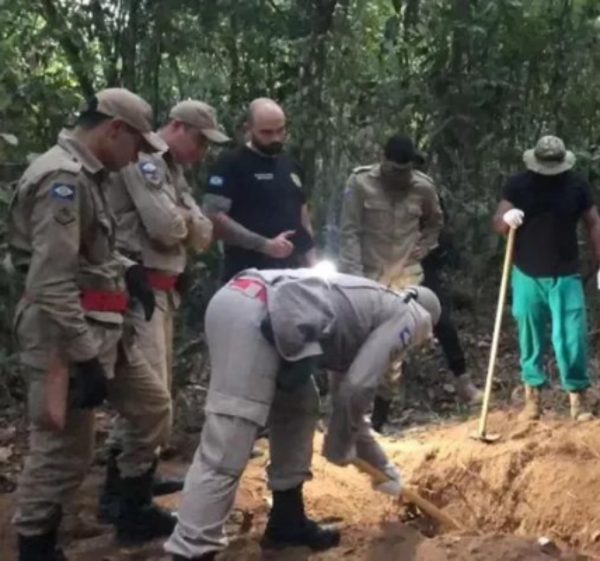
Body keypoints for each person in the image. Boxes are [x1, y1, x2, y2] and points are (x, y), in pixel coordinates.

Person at [163, 268, 440, 561]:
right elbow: (357, 388)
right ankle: (191, 549)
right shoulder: (412, 316)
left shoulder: (370, 313)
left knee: (300, 406)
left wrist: (382, 469)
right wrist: (339, 445)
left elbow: (350, 404)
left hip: (257, 306)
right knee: (230, 438)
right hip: (257, 312)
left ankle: (287, 519)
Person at [8, 88, 175, 561]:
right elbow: (51, 282)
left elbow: (90, 253)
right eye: (137, 147)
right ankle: (36, 545)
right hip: (63, 335)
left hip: (104, 328)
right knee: (63, 448)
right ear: (114, 130)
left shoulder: (88, 175)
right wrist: (84, 356)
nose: (138, 157)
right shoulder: (62, 178)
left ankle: (130, 506)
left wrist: (127, 269)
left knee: (151, 407)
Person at [99, 100, 228, 521]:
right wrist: (189, 222)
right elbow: (167, 226)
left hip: (163, 292)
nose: (202, 152)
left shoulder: (174, 172)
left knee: (155, 394)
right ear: (177, 126)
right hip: (139, 292)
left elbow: (204, 234)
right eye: (199, 140)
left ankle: (129, 482)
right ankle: (129, 502)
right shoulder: (146, 164)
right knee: (150, 401)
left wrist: (189, 222)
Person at [339, 133, 482, 432]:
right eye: (394, 170)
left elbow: (435, 222)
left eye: (405, 171)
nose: (399, 177)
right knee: (358, 346)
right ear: (382, 159)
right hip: (366, 275)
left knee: (393, 349)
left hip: (405, 275)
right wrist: (353, 279)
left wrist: (423, 246)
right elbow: (349, 231)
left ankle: (378, 421)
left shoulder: (422, 187)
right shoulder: (360, 183)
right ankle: (350, 415)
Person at [492, 135, 600, 421]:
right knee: (530, 337)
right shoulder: (518, 185)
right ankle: (533, 398)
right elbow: (499, 219)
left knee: (571, 337)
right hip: (527, 272)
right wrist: (507, 218)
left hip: (565, 273)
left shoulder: (576, 185)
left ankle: (578, 399)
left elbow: (593, 222)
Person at [202, 97, 316, 282]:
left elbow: (303, 219)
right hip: (245, 274)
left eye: (280, 130)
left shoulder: (292, 165)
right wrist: (265, 245)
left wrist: (313, 265)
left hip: (292, 275)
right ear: (249, 129)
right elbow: (213, 216)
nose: (275, 138)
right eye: (266, 132)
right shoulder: (230, 163)